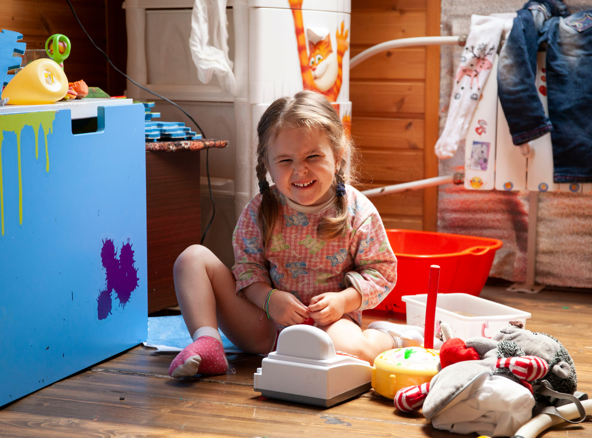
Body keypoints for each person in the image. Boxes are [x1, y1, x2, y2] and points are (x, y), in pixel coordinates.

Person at [168, 90, 425, 378]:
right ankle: (208, 345)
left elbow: (382, 273)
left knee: (361, 355)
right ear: (268, 164)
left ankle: (392, 338)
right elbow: (247, 269)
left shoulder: (358, 212)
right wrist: (268, 299)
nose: (300, 170)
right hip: (263, 328)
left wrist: (343, 302)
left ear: (338, 156)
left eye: (313, 156)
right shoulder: (259, 210)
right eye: (285, 161)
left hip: (328, 325)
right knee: (191, 259)